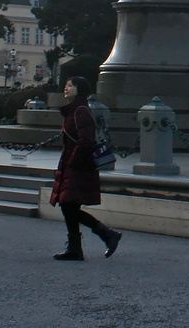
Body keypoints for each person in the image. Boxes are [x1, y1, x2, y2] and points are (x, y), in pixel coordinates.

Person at [51, 76, 122, 261]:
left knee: (68, 205)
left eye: (70, 85)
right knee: (69, 206)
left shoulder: (80, 110)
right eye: (66, 85)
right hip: (72, 164)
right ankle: (77, 247)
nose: (66, 88)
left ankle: (106, 234)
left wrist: (73, 161)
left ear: (79, 90)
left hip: (77, 165)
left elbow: (86, 140)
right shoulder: (74, 110)